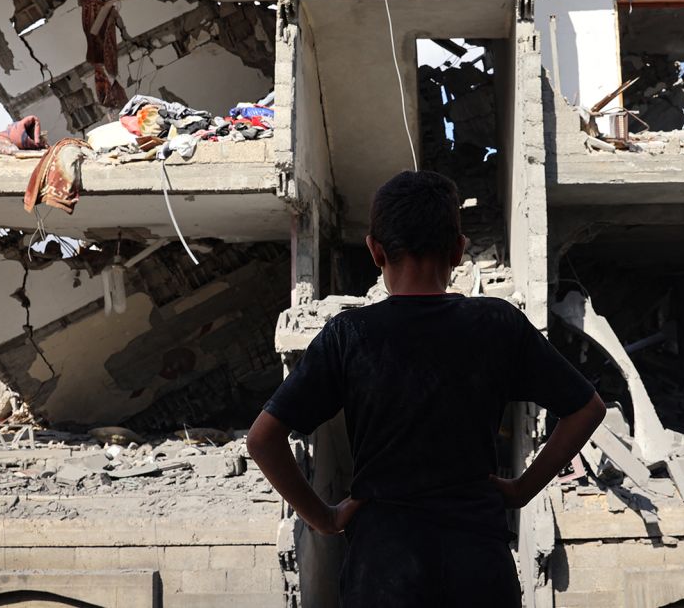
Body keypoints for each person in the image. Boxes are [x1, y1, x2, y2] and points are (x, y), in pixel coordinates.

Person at [246, 171, 605, 606]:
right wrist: (521, 489)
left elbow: (263, 438)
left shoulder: (350, 335)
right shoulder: (497, 324)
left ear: (375, 251)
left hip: (381, 573)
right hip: (478, 568)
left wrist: (325, 518)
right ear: (458, 250)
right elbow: (587, 408)